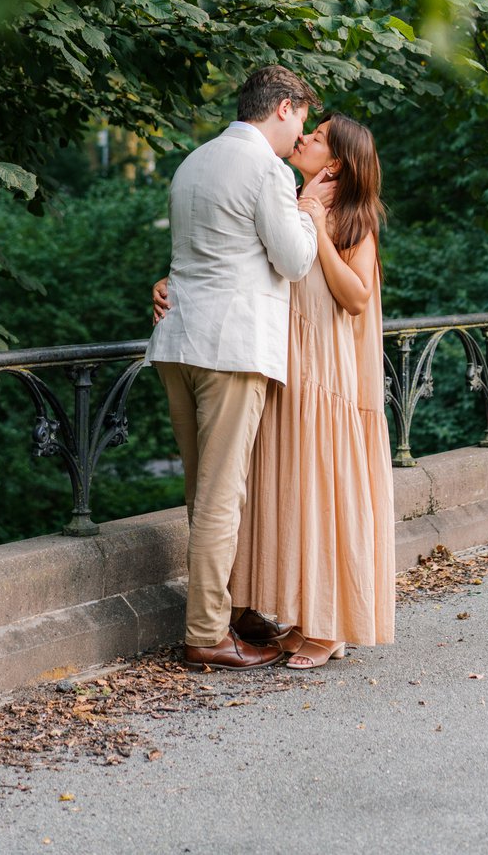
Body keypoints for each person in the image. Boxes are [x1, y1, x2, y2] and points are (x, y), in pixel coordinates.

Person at [145, 64, 326, 670]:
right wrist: (310, 212)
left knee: (203, 492)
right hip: (231, 349)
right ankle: (206, 635)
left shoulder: (194, 161)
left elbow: (199, 253)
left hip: (178, 341)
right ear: (283, 107)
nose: (301, 132)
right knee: (222, 495)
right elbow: (296, 261)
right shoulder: (267, 170)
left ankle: (222, 612)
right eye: (301, 117)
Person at [230, 112, 395, 669]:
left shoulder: (356, 223)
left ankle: (330, 628)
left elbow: (354, 297)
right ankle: (303, 618)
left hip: (326, 373)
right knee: (297, 490)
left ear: (338, 163)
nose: (303, 138)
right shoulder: (291, 201)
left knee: (325, 490)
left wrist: (319, 228)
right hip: (286, 366)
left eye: (317, 137)